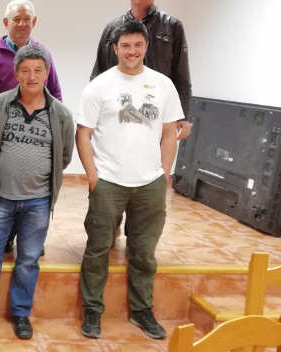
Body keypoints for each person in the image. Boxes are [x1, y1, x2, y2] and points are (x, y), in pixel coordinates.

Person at [0, 45, 74, 339]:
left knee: (29, 259)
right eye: (25, 70)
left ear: (47, 73)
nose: (32, 76)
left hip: (38, 202)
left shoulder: (61, 115)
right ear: (16, 72)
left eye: (38, 70)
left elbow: (65, 155)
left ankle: (21, 314)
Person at [76, 20, 183, 340]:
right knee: (98, 248)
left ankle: (142, 310)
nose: (132, 51)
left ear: (146, 47)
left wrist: (164, 174)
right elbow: (83, 134)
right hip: (108, 180)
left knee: (144, 250)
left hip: (149, 181)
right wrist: (93, 175)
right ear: (115, 49)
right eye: (125, 46)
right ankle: (93, 310)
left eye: (137, 45)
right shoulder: (100, 86)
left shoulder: (163, 85)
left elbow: (169, 133)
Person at [91, 0, 193, 245]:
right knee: (114, 171)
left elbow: (181, 75)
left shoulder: (172, 26)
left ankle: (140, 233)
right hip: (118, 117)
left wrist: (184, 116)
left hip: (157, 114)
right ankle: (110, 225)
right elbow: (98, 73)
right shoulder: (113, 28)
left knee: (150, 171)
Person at [0, 0, 62, 254]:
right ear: (6, 23)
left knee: (30, 194)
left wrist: (54, 132)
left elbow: (54, 92)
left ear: (33, 22)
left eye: (26, 19)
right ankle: (1, 237)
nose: (21, 24)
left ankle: (29, 240)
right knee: (0, 192)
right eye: (16, 19)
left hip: (35, 137)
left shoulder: (44, 54)